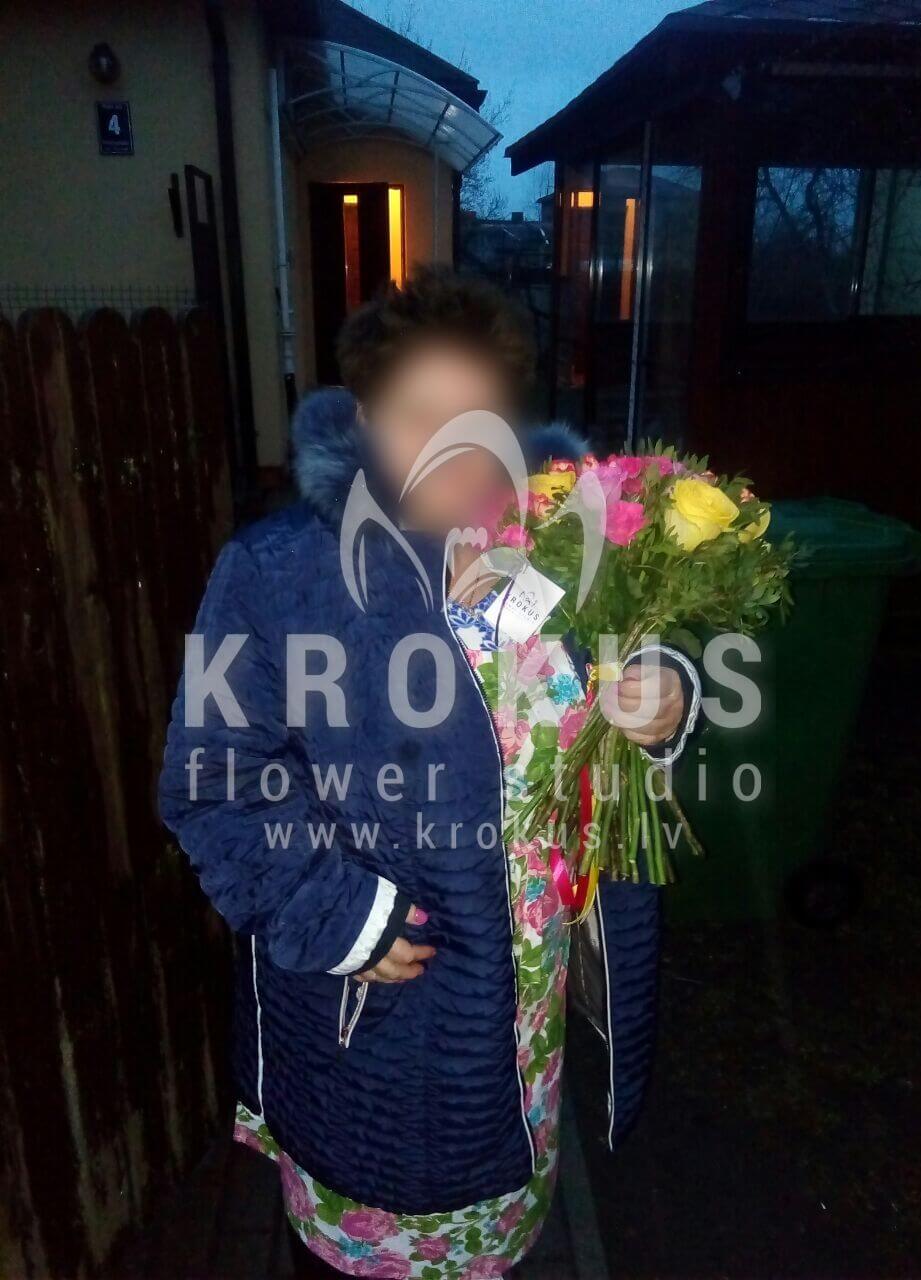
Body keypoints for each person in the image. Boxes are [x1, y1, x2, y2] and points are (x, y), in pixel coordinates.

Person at [159, 266, 699, 1278]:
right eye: (419, 415)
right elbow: (215, 780)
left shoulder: (566, 547)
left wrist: (665, 699)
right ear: (364, 417)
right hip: (377, 1015)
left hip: (524, 1014)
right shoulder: (283, 572)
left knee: (499, 1242)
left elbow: (635, 668)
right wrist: (337, 916)